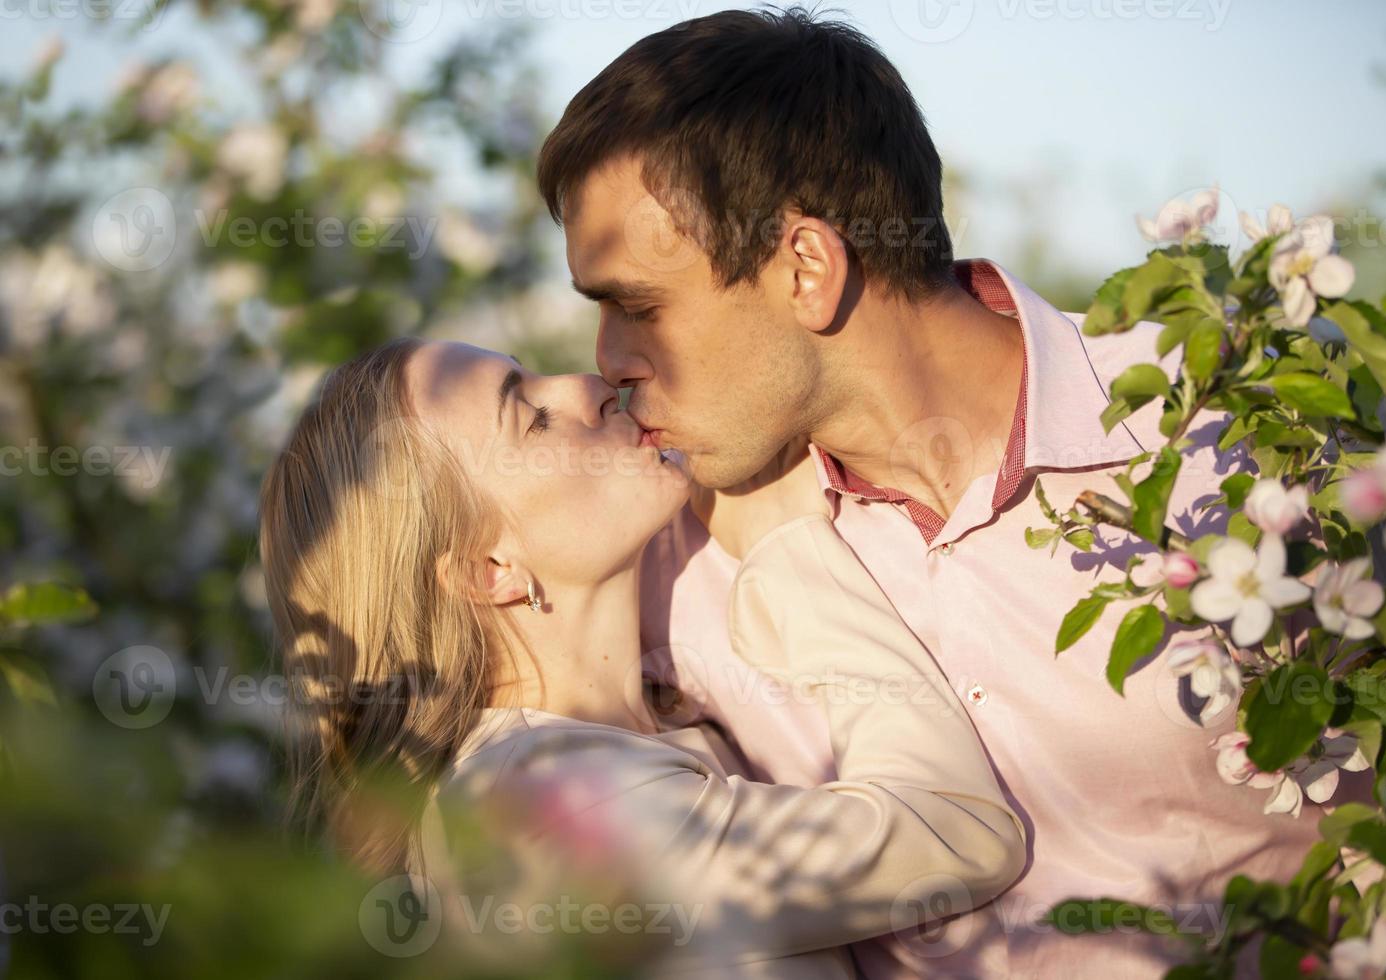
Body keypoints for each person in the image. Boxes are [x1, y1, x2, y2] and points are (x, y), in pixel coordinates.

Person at [536, 7, 1331, 975]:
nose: (607, 360)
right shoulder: (665, 551)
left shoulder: (1225, 428)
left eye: (638, 306)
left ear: (807, 267)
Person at [257, 337, 1026, 976]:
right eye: (531, 417)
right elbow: (957, 833)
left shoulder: (632, 736)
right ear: (487, 570)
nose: (588, 386)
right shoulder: (546, 811)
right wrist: (784, 543)